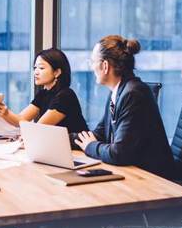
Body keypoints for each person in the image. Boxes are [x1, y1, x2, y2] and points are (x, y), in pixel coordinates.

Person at [74, 35, 176, 180]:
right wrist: (65, 140)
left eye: (93, 62)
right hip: (133, 171)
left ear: (105, 66)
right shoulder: (116, 92)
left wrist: (90, 146)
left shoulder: (134, 94)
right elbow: (100, 134)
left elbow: (119, 153)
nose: (91, 66)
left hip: (151, 179)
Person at [0, 48, 87, 133]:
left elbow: (37, 129)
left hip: (78, 149)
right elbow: (21, 120)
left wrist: (6, 113)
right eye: (35, 68)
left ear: (57, 72)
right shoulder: (43, 93)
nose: (36, 72)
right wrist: (4, 112)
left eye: (41, 68)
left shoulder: (65, 95)